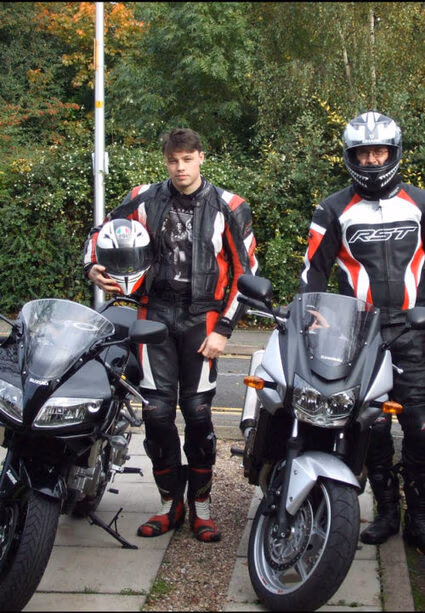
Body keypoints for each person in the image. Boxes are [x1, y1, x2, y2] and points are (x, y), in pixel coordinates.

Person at [83, 128, 258, 542]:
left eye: (187, 159)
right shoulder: (143, 197)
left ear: (201, 157)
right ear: (165, 161)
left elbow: (246, 273)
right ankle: (169, 504)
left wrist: (225, 330)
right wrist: (92, 266)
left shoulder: (231, 206)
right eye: (172, 160)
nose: (180, 168)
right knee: (156, 414)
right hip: (154, 313)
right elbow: (100, 233)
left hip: (204, 319)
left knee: (198, 414)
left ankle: (202, 507)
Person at [299, 110, 425, 552]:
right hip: (359, 333)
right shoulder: (332, 208)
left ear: (394, 153)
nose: (372, 161)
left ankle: (419, 515)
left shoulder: (420, 203)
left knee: (419, 426)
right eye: (364, 153)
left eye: (379, 152)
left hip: (414, 331)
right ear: (351, 157)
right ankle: (387, 511)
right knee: (371, 426)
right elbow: (313, 271)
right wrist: (310, 314)